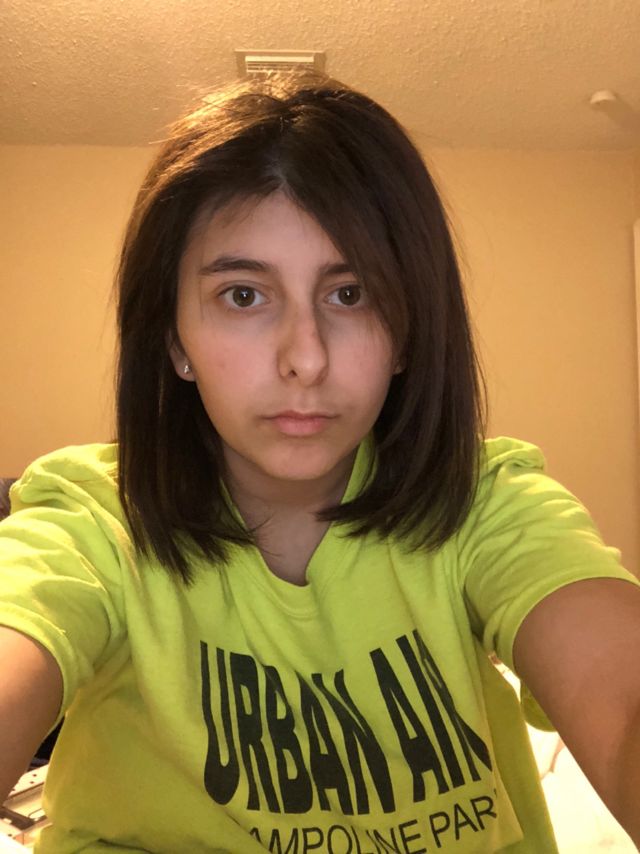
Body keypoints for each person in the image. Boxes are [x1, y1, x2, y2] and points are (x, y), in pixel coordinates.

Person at [1, 70, 639, 854]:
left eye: (351, 294)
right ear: (173, 339)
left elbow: (623, 704)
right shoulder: (96, 519)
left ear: (407, 332)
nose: (305, 358)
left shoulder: (484, 504)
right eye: (243, 295)